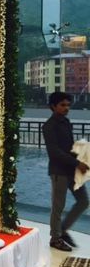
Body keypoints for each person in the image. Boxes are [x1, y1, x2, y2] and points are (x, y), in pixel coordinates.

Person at [42, 91, 89, 251]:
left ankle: (62, 229)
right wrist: (77, 162)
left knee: (83, 201)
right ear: (53, 106)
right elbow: (54, 152)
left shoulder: (66, 122)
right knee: (58, 206)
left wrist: (83, 157)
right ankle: (55, 238)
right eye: (62, 105)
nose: (66, 108)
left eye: (68, 105)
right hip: (58, 172)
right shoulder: (48, 126)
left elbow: (69, 148)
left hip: (72, 170)